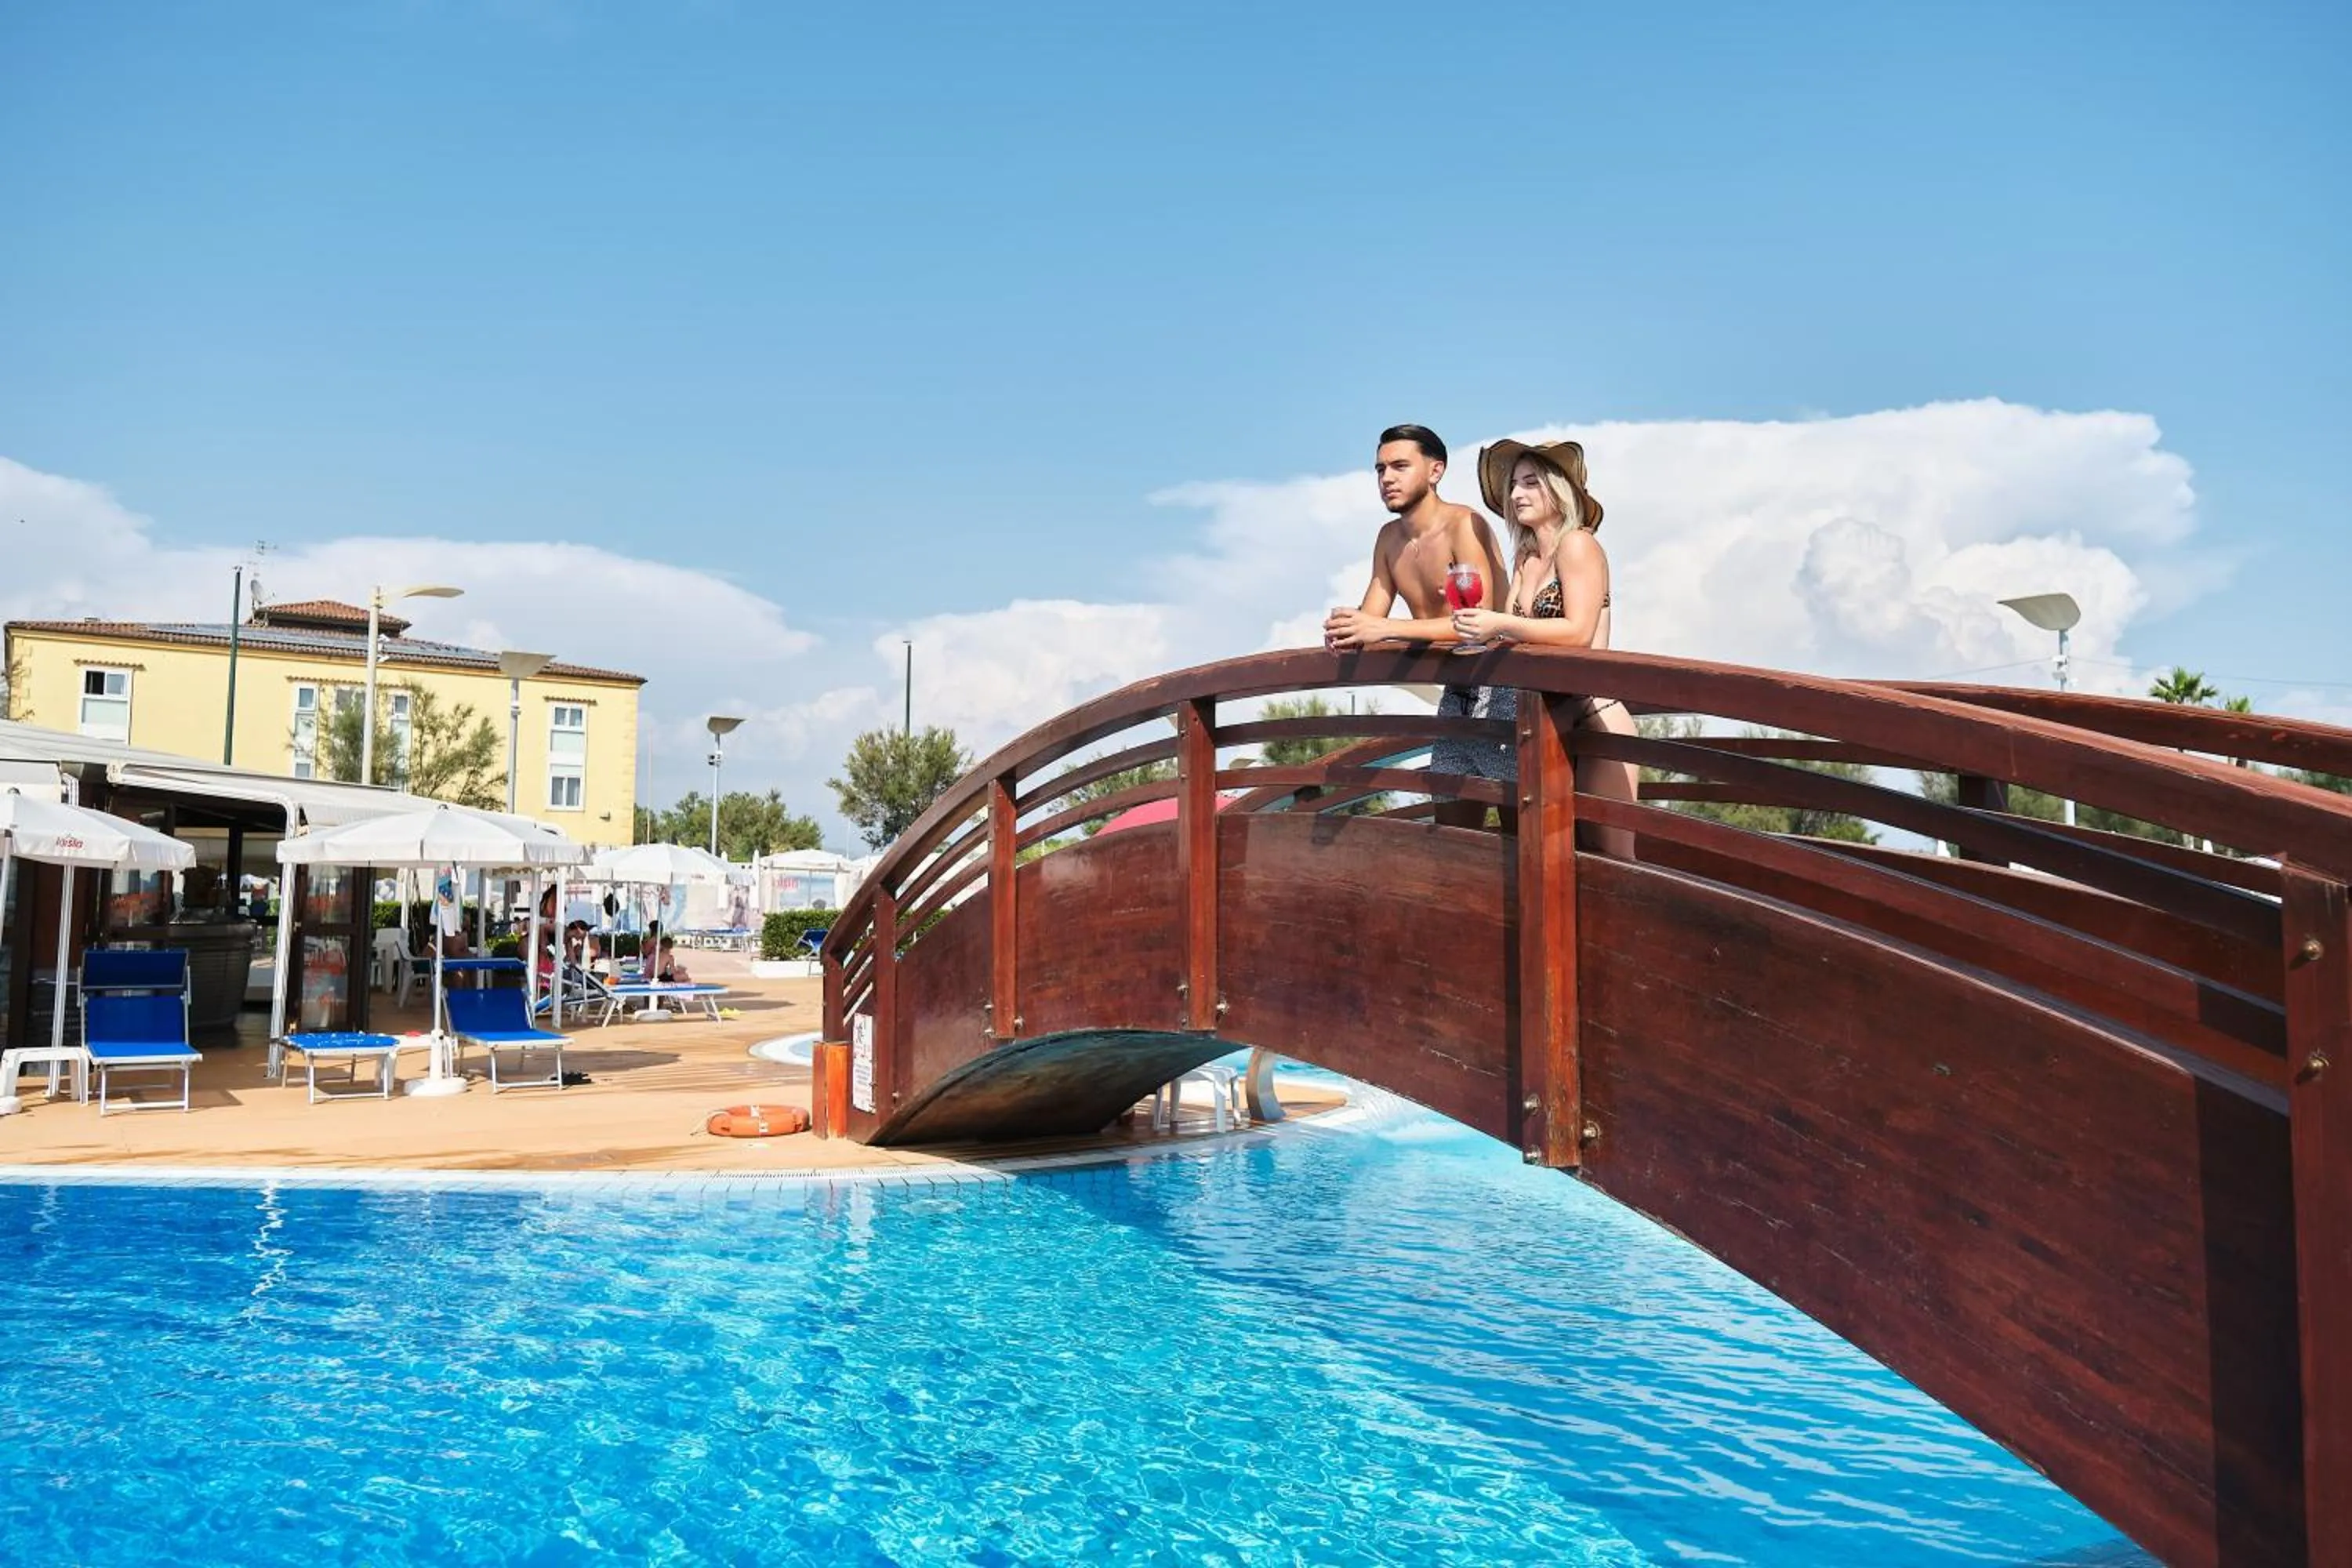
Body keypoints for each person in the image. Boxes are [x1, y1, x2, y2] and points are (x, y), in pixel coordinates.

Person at [1446, 438, 1640, 858]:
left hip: (1594, 719)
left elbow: (1578, 633)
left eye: (1530, 483)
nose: (1516, 495)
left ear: (1558, 488)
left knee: (1613, 857)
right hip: (1545, 719)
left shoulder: (1578, 545)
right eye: (1514, 485)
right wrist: (1479, 629)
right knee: (1562, 857)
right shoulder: (1526, 558)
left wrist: (1497, 622)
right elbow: (1510, 634)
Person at [1322, 424, 1510, 828]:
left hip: (1504, 689)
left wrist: (1382, 628)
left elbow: (1479, 623)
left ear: (1435, 471)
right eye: (1380, 469)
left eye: (1400, 466)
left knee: (1524, 834)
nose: (1387, 478)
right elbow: (1371, 616)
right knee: (1452, 836)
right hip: (1456, 692)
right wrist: (1346, 631)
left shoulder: (1464, 524)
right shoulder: (1389, 539)